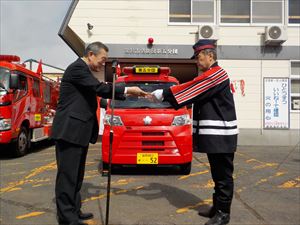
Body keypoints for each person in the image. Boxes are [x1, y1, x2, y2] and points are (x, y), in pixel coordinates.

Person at [51, 42, 148, 225]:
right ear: (90, 55)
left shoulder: (83, 71)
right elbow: (99, 88)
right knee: (67, 176)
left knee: (77, 176)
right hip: (69, 131)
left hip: (78, 132)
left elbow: (93, 93)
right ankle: (66, 218)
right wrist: (128, 90)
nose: (103, 64)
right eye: (102, 60)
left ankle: (74, 210)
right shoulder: (77, 69)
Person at [151, 39, 238, 225]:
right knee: (217, 174)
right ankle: (217, 207)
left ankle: (223, 213)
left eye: (199, 58)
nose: (197, 62)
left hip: (222, 136)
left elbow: (192, 87)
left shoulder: (216, 74)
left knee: (223, 176)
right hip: (217, 137)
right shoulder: (212, 75)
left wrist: (163, 93)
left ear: (210, 56)